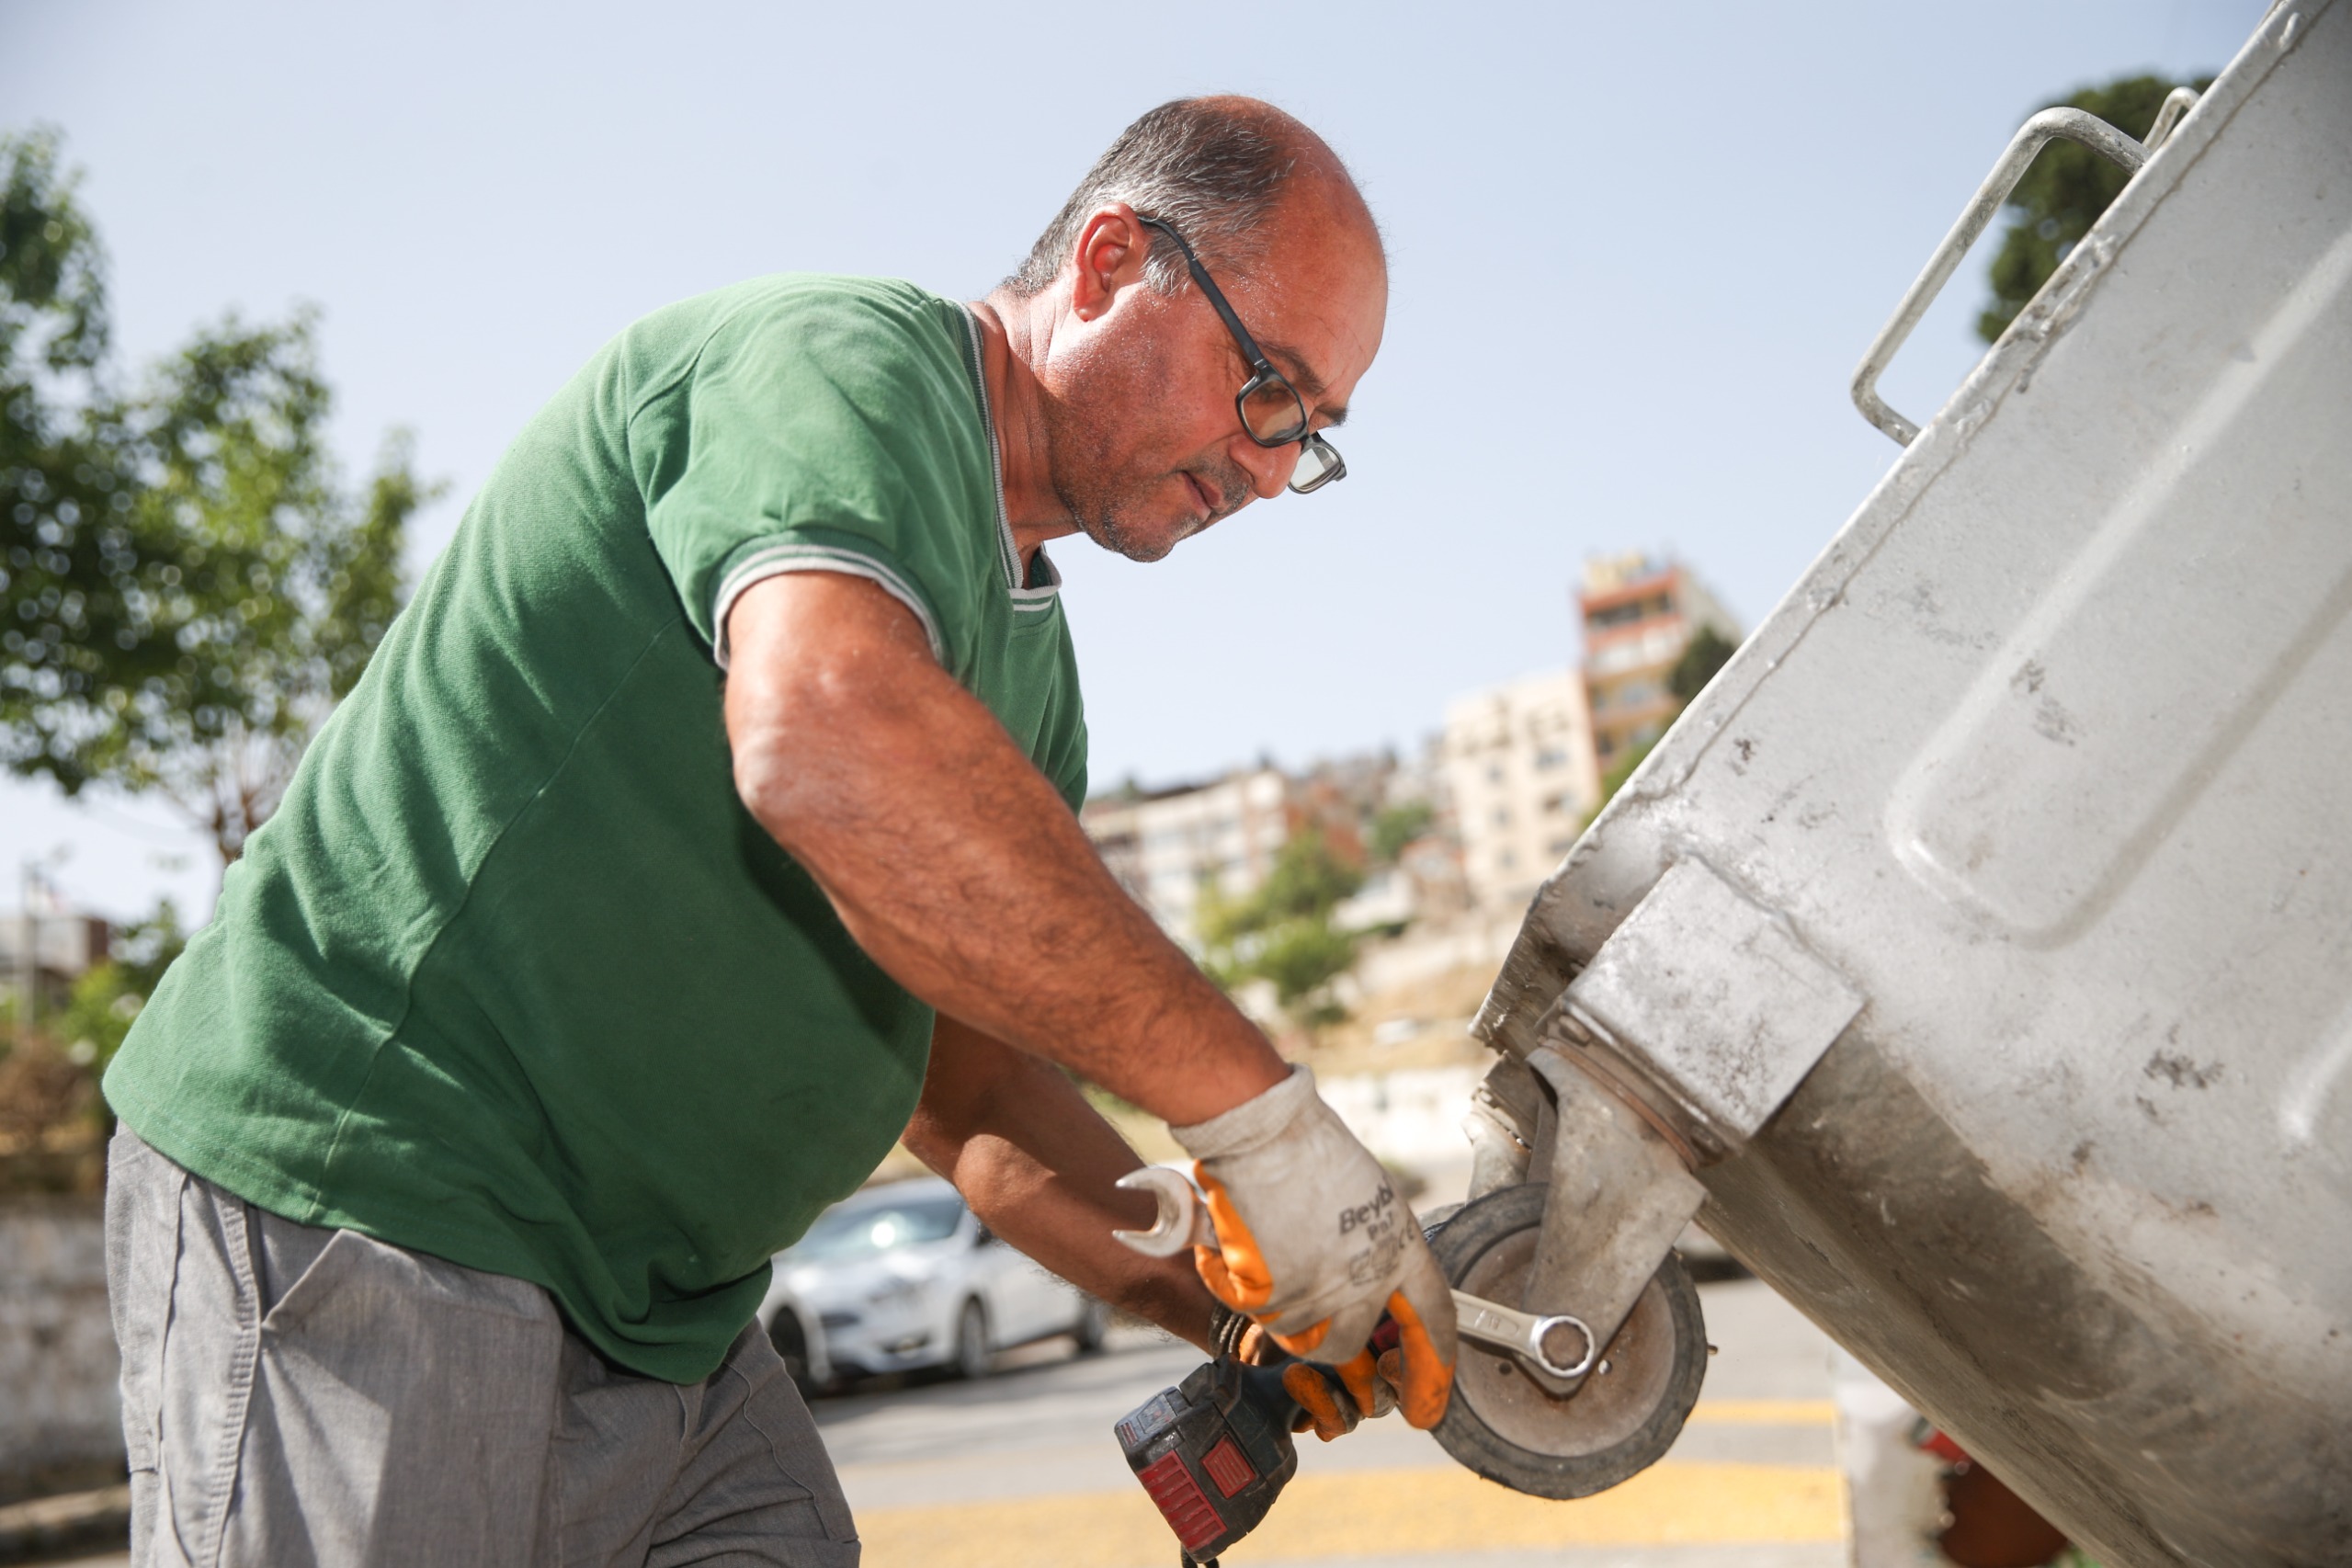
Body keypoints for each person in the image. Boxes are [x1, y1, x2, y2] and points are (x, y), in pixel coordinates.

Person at [99, 95, 1456, 1566]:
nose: (1268, 468)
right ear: (1113, 258)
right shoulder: (837, 366)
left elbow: (968, 1078)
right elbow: (826, 735)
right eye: (1269, 388)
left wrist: (1254, 1296)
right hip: (377, 1199)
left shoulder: (1033, 682)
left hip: (663, 1319)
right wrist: (1268, 1129)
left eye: (1310, 438)